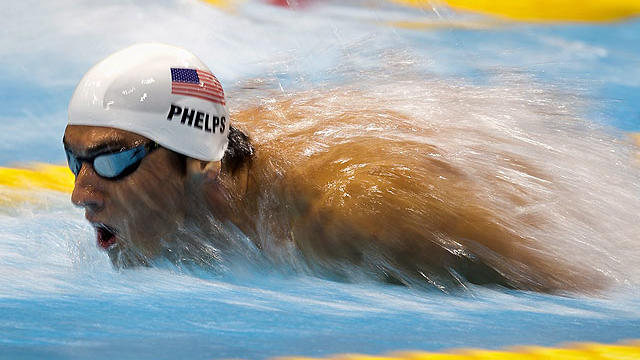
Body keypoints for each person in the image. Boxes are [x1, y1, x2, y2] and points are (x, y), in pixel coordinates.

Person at [63, 43, 602, 293]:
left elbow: (582, 288)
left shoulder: (357, 220)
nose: (80, 193)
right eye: (74, 160)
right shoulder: (202, 184)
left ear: (198, 160)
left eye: (112, 160)